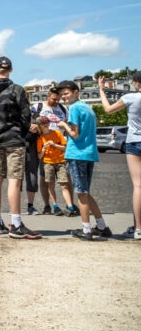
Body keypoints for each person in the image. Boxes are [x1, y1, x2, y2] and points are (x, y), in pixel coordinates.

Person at [0, 57, 40, 239]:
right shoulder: (16, 90)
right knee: (14, 181)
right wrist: (21, 132)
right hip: (13, 139)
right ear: (11, 70)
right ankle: (15, 224)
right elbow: (25, 117)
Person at [56, 80, 110, 240]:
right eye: (61, 95)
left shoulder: (74, 109)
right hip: (89, 153)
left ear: (75, 92)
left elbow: (74, 134)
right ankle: (101, 225)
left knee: (81, 192)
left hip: (77, 153)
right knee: (85, 191)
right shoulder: (88, 108)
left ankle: (86, 229)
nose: (63, 97)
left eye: (65, 94)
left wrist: (63, 125)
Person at [97, 71, 141, 239]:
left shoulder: (131, 97)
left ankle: (138, 228)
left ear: (136, 83)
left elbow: (108, 110)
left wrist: (102, 90)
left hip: (134, 141)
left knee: (138, 186)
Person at [36, 110, 74, 221]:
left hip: (60, 162)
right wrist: (43, 149)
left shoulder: (57, 133)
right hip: (48, 163)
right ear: (39, 126)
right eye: (43, 124)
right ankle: (55, 206)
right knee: (50, 185)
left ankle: (70, 206)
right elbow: (39, 156)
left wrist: (55, 145)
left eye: (47, 122)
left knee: (64, 184)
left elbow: (65, 148)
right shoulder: (40, 139)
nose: (46, 125)